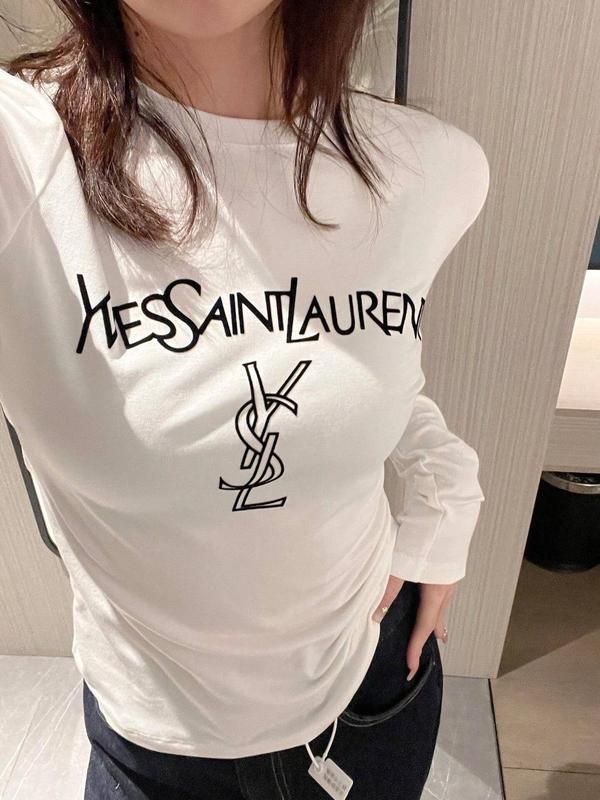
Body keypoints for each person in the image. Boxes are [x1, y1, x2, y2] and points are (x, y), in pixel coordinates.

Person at [0, 1, 489, 798]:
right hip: (154, 741)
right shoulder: (24, 157)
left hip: (368, 694)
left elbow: (373, 375)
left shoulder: (430, 170)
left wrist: (447, 503)